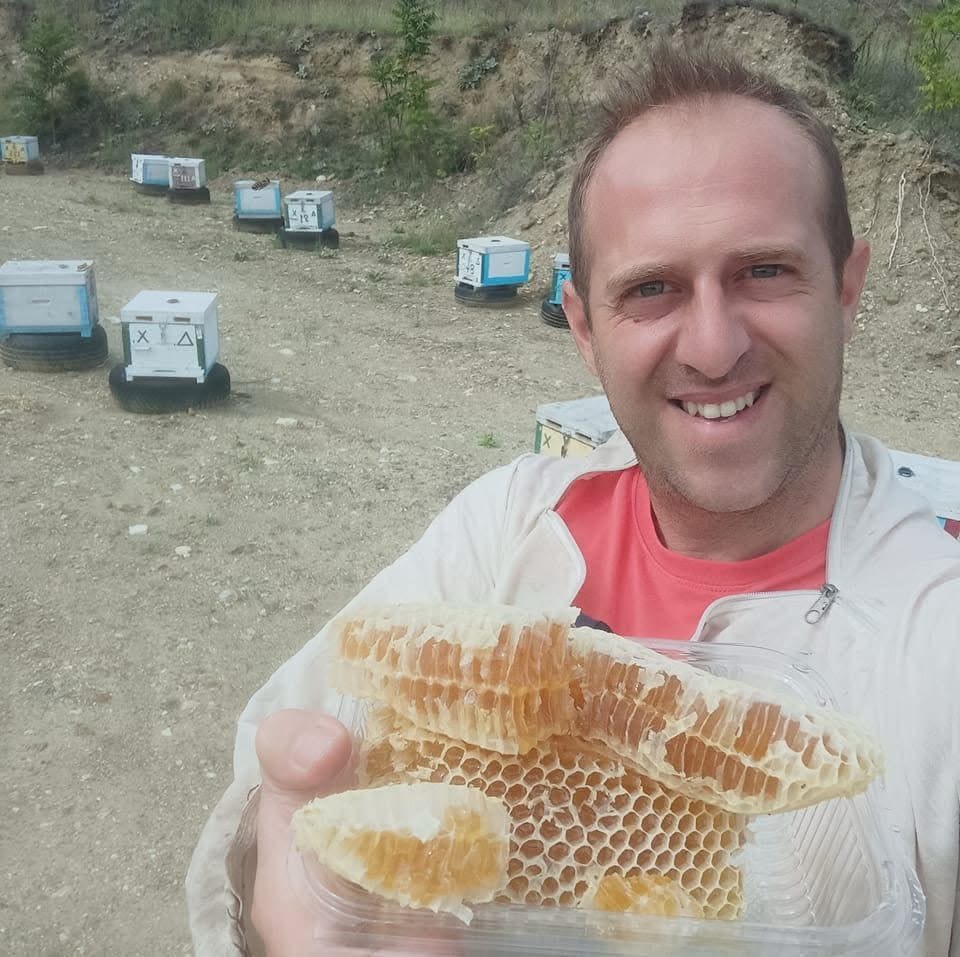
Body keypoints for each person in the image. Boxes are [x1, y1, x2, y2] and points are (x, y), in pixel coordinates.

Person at [186, 43, 960, 956]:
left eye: (763, 271)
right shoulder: (504, 528)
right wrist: (273, 890)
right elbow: (267, 786)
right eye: (652, 289)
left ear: (847, 286)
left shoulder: (937, 616)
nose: (712, 347)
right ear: (585, 330)